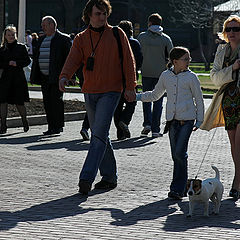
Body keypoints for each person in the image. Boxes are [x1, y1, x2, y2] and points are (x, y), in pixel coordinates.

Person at [59, 0, 136, 195]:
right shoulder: (81, 38)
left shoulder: (118, 34)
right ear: (89, 16)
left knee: (99, 134)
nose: (102, 18)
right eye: (98, 14)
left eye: (104, 14)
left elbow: (129, 61)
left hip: (112, 91)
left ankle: (86, 178)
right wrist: (64, 76)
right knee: (100, 135)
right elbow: (73, 59)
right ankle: (109, 177)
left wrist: (130, 87)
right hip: (90, 91)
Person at [136, 47, 204, 199]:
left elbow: (199, 100)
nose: (189, 61)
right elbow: (155, 95)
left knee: (180, 153)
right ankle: (181, 188)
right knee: (176, 155)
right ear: (175, 61)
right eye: (185, 59)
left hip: (187, 121)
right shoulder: (166, 76)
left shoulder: (192, 78)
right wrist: (136, 97)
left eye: (189, 58)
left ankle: (178, 189)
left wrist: (199, 120)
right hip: (172, 122)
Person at [200, 15, 240, 200]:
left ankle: (236, 181)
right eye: (229, 29)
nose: (232, 33)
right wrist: (233, 68)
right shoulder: (221, 50)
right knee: (233, 143)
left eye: (236, 29)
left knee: (239, 142)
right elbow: (215, 78)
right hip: (229, 101)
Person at [30, 16, 72, 135]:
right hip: (44, 77)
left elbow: (69, 59)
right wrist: (34, 76)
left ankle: (58, 126)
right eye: (42, 25)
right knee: (47, 102)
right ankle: (51, 126)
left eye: (44, 25)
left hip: (57, 76)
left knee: (56, 102)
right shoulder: (41, 40)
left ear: (52, 25)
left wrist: (69, 76)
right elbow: (36, 59)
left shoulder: (63, 39)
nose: (42, 27)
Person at [138, 13, 173, 138]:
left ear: (149, 23)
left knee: (146, 98)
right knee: (158, 101)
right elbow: (172, 55)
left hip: (146, 72)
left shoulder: (142, 37)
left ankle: (147, 123)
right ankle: (155, 129)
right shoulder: (165, 39)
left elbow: (137, 53)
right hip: (160, 74)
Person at [114, 20, 143, 140]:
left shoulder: (115, 42)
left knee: (118, 105)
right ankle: (125, 121)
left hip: (116, 78)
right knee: (131, 102)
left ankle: (120, 133)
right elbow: (139, 60)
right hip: (130, 77)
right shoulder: (134, 43)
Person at [0, 25, 31, 134]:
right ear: (5, 36)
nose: (11, 36)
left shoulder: (21, 47)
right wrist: (7, 63)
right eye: (9, 35)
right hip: (5, 79)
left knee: (19, 102)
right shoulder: (2, 49)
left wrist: (17, 63)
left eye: (13, 34)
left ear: (15, 35)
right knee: (2, 101)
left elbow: (27, 61)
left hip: (18, 78)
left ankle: (24, 120)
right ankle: (3, 124)